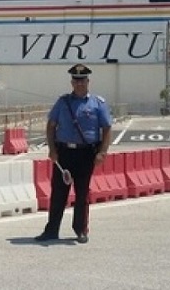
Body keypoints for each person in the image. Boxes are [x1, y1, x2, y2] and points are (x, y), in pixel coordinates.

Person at [35, 64, 112, 244]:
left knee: (82, 194)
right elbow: (51, 125)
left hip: (86, 155)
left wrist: (103, 152)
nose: (79, 84)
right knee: (58, 194)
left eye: (82, 80)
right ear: (72, 82)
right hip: (64, 154)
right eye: (76, 81)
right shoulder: (62, 103)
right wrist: (52, 149)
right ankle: (52, 230)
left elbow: (107, 128)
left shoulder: (97, 103)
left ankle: (81, 230)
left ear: (88, 81)